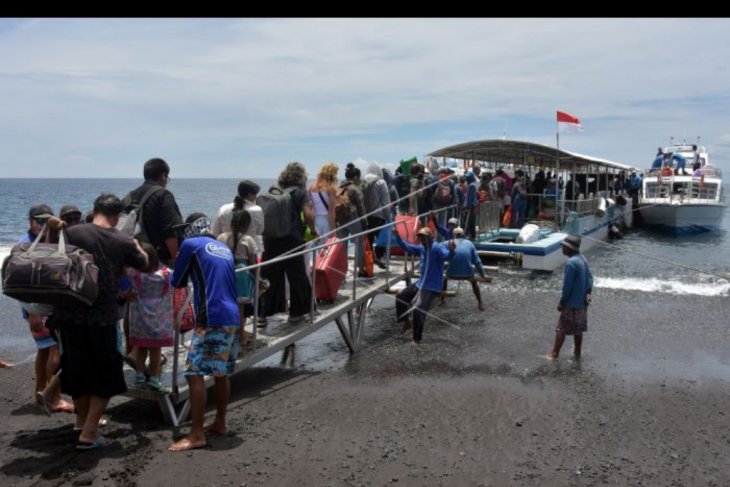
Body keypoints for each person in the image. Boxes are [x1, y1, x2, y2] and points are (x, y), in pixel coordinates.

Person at [49, 193, 148, 450]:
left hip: (69, 315)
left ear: (93, 211)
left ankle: (81, 422)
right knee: (106, 375)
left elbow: (53, 258)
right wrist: (136, 245)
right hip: (102, 317)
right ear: (117, 216)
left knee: (78, 372)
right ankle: (89, 433)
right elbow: (145, 264)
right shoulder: (122, 239)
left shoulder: (74, 232)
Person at [170, 213, 240, 452]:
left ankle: (197, 434)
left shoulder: (191, 244)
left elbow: (177, 281)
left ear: (189, 231)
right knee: (221, 373)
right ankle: (220, 422)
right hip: (232, 315)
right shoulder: (223, 248)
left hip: (211, 316)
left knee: (194, 372)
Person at [17, 203, 74, 415]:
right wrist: (31, 312)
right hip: (37, 309)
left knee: (44, 350)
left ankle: (39, 393)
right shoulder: (25, 245)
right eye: (38, 221)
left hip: (40, 307)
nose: (42, 225)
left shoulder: (40, 240)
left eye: (46, 221)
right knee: (56, 350)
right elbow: (19, 284)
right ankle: (54, 398)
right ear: (30, 221)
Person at [260, 162, 316, 323]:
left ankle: (262, 314)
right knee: (297, 275)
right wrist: (313, 231)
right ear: (302, 176)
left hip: (270, 239)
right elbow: (309, 214)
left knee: (269, 276)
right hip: (292, 239)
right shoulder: (300, 192)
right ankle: (296, 313)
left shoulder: (275, 190)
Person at [126, 243, 173, 391]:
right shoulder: (165, 274)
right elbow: (178, 278)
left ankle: (139, 376)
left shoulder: (134, 274)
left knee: (141, 348)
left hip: (139, 321)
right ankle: (153, 377)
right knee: (155, 351)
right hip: (158, 320)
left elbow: (123, 270)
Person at [393, 227, 453, 344]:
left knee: (417, 309)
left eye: (424, 237)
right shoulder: (422, 248)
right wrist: (398, 237)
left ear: (430, 237)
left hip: (431, 286)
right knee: (400, 296)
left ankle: (417, 338)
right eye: (420, 237)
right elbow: (407, 247)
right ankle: (406, 323)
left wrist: (451, 251)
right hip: (421, 283)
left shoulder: (437, 247)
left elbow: (446, 256)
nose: (422, 240)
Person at [125, 157, 183, 266]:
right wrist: (176, 260)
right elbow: (170, 231)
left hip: (133, 258)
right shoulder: (163, 195)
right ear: (163, 176)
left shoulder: (129, 197)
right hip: (157, 261)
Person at [544, 234, 593, 361]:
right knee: (578, 329)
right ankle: (577, 352)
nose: (562, 249)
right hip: (582, 302)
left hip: (571, 303)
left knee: (561, 328)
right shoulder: (583, 259)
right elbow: (590, 279)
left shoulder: (571, 263)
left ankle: (554, 353)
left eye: (564, 246)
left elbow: (567, 287)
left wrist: (562, 302)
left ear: (570, 248)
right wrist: (588, 294)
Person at [217, 209, 259, 346]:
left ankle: (233, 332)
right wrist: (258, 278)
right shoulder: (248, 240)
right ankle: (241, 335)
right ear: (247, 225)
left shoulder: (221, 238)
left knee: (229, 305)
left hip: (225, 274)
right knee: (240, 308)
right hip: (241, 277)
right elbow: (253, 264)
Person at [440, 228, 491, 311]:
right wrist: (483, 275)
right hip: (467, 275)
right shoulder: (470, 244)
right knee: (474, 282)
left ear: (453, 235)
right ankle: (480, 303)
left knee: (444, 278)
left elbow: (436, 246)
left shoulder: (448, 242)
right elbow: (477, 262)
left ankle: (442, 300)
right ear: (463, 235)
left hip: (451, 274)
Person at [213, 179, 265, 256]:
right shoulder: (257, 210)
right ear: (249, 194)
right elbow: (260, 231)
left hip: (226, 252)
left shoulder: (223, 208)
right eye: (255, 194)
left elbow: (216, 232)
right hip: (249, 252)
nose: (256, 197)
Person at [307, 162, 338, 246]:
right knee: (327, 249)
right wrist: (333, 231)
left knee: (318, 249)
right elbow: (331, 211)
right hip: (327, 222)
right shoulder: (331, 189)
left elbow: (310, 207)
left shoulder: (311, 187)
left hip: (316, 221)